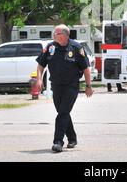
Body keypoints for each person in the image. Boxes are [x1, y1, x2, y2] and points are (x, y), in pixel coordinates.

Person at [36, 25, 93, 153]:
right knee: (63, 112)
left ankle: (58, 142)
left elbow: (86, 69)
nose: (53, 35)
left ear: (65, 35)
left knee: (62, 113)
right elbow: (40, 65)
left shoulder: (76, 48)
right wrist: (39, 79)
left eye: (56, 33)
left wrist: (89, 86)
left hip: (71, 86)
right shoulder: (50, 47)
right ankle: (72, 138)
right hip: (56, 86)